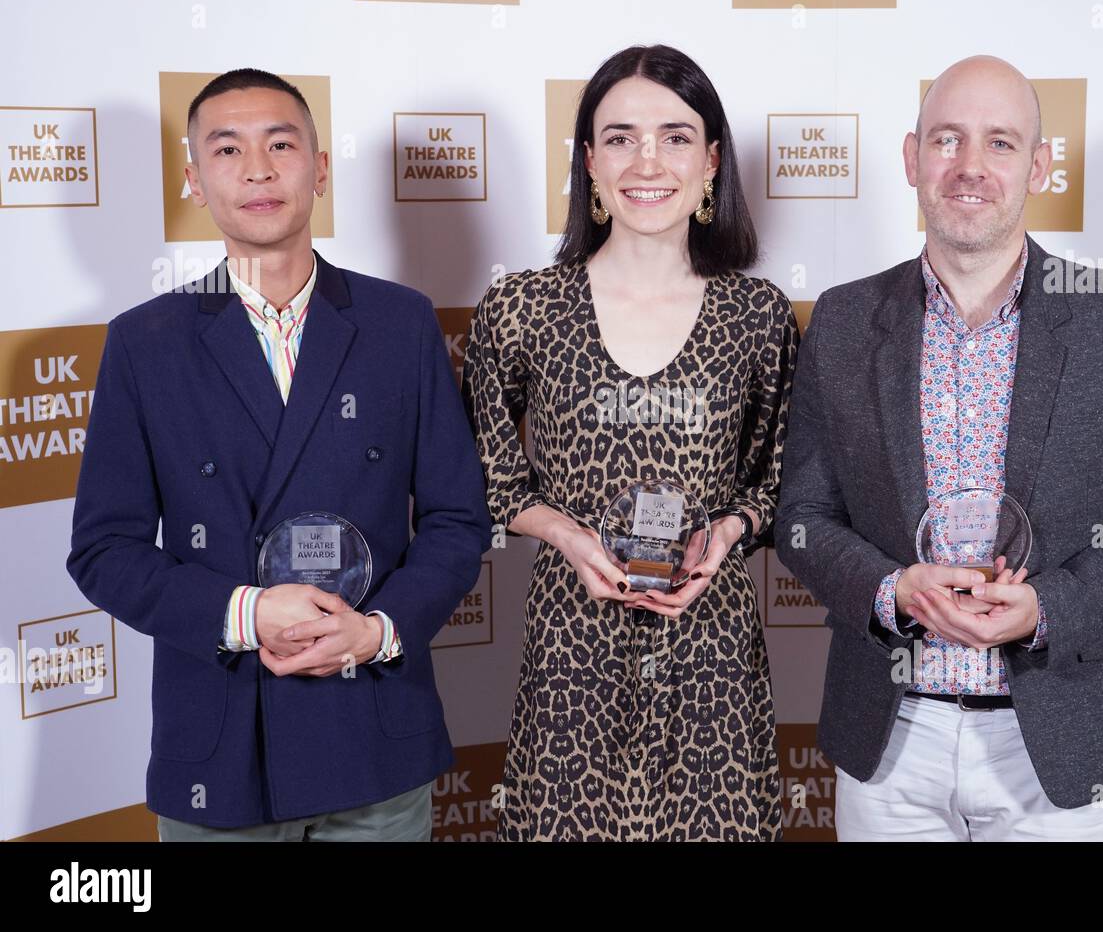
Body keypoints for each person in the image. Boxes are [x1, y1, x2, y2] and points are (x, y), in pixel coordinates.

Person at [775, 55, 1103, 841]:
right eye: (948, 140)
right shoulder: (842, 321)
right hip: (891, 743)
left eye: (1001, 144)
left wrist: (1051, 607)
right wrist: (892, 591)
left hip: (1064, 738)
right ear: (912, 158)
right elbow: (804, 514)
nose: (970, 167)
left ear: (1041, 167)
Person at [67, 68, 491, 840]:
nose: (258, 169)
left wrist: (379, 629)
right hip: (221, 747)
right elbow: (104, 550)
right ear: (194, 180)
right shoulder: (146, 342)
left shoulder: (399, 325)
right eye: (227, 149)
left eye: (281, 143)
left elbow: (459, 521)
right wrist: (246, 611)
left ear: (320, 169)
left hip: (374, 733)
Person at [462, 45, 799, 841]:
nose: (648, 161)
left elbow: (781, 482)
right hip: (572, 651)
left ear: (712, 159)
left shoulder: (758, 315)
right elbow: (480, 473)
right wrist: (563, 533)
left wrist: (728, 534)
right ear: (588, 161)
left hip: (711, 654)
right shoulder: (522, 308)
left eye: (676, 137)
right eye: (619, 138)